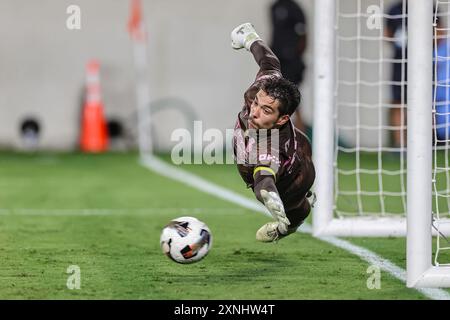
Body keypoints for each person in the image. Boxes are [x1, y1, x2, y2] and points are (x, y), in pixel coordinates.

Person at [230, 23, 315, 242]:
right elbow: (269, 62)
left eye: (266, 110)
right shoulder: (262, 88)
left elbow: (264, 178)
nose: (254, 113)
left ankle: (287, 227)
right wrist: (250, 38)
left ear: (283, 119)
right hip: (300, 144)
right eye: (257, 104)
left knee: (296, 210)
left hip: (294, 179)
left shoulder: (272, 146)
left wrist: (269, 196)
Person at [269, 0, 308, 134]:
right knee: (275, 96)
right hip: (277, 60)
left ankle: (300, 133)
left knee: (292, 97)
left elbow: (303, 34)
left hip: (292, 61)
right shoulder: (274, 7)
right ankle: (277, 134)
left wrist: (295, 56)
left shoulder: (295, 8)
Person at [384, 1, 407, 149]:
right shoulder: (394, 9)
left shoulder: (429, 7)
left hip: (425, 63)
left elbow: (440, 33)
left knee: (426, 102)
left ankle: (426, 141)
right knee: (398, 101)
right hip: (400, 63)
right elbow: (387, 35)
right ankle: (400, 144)